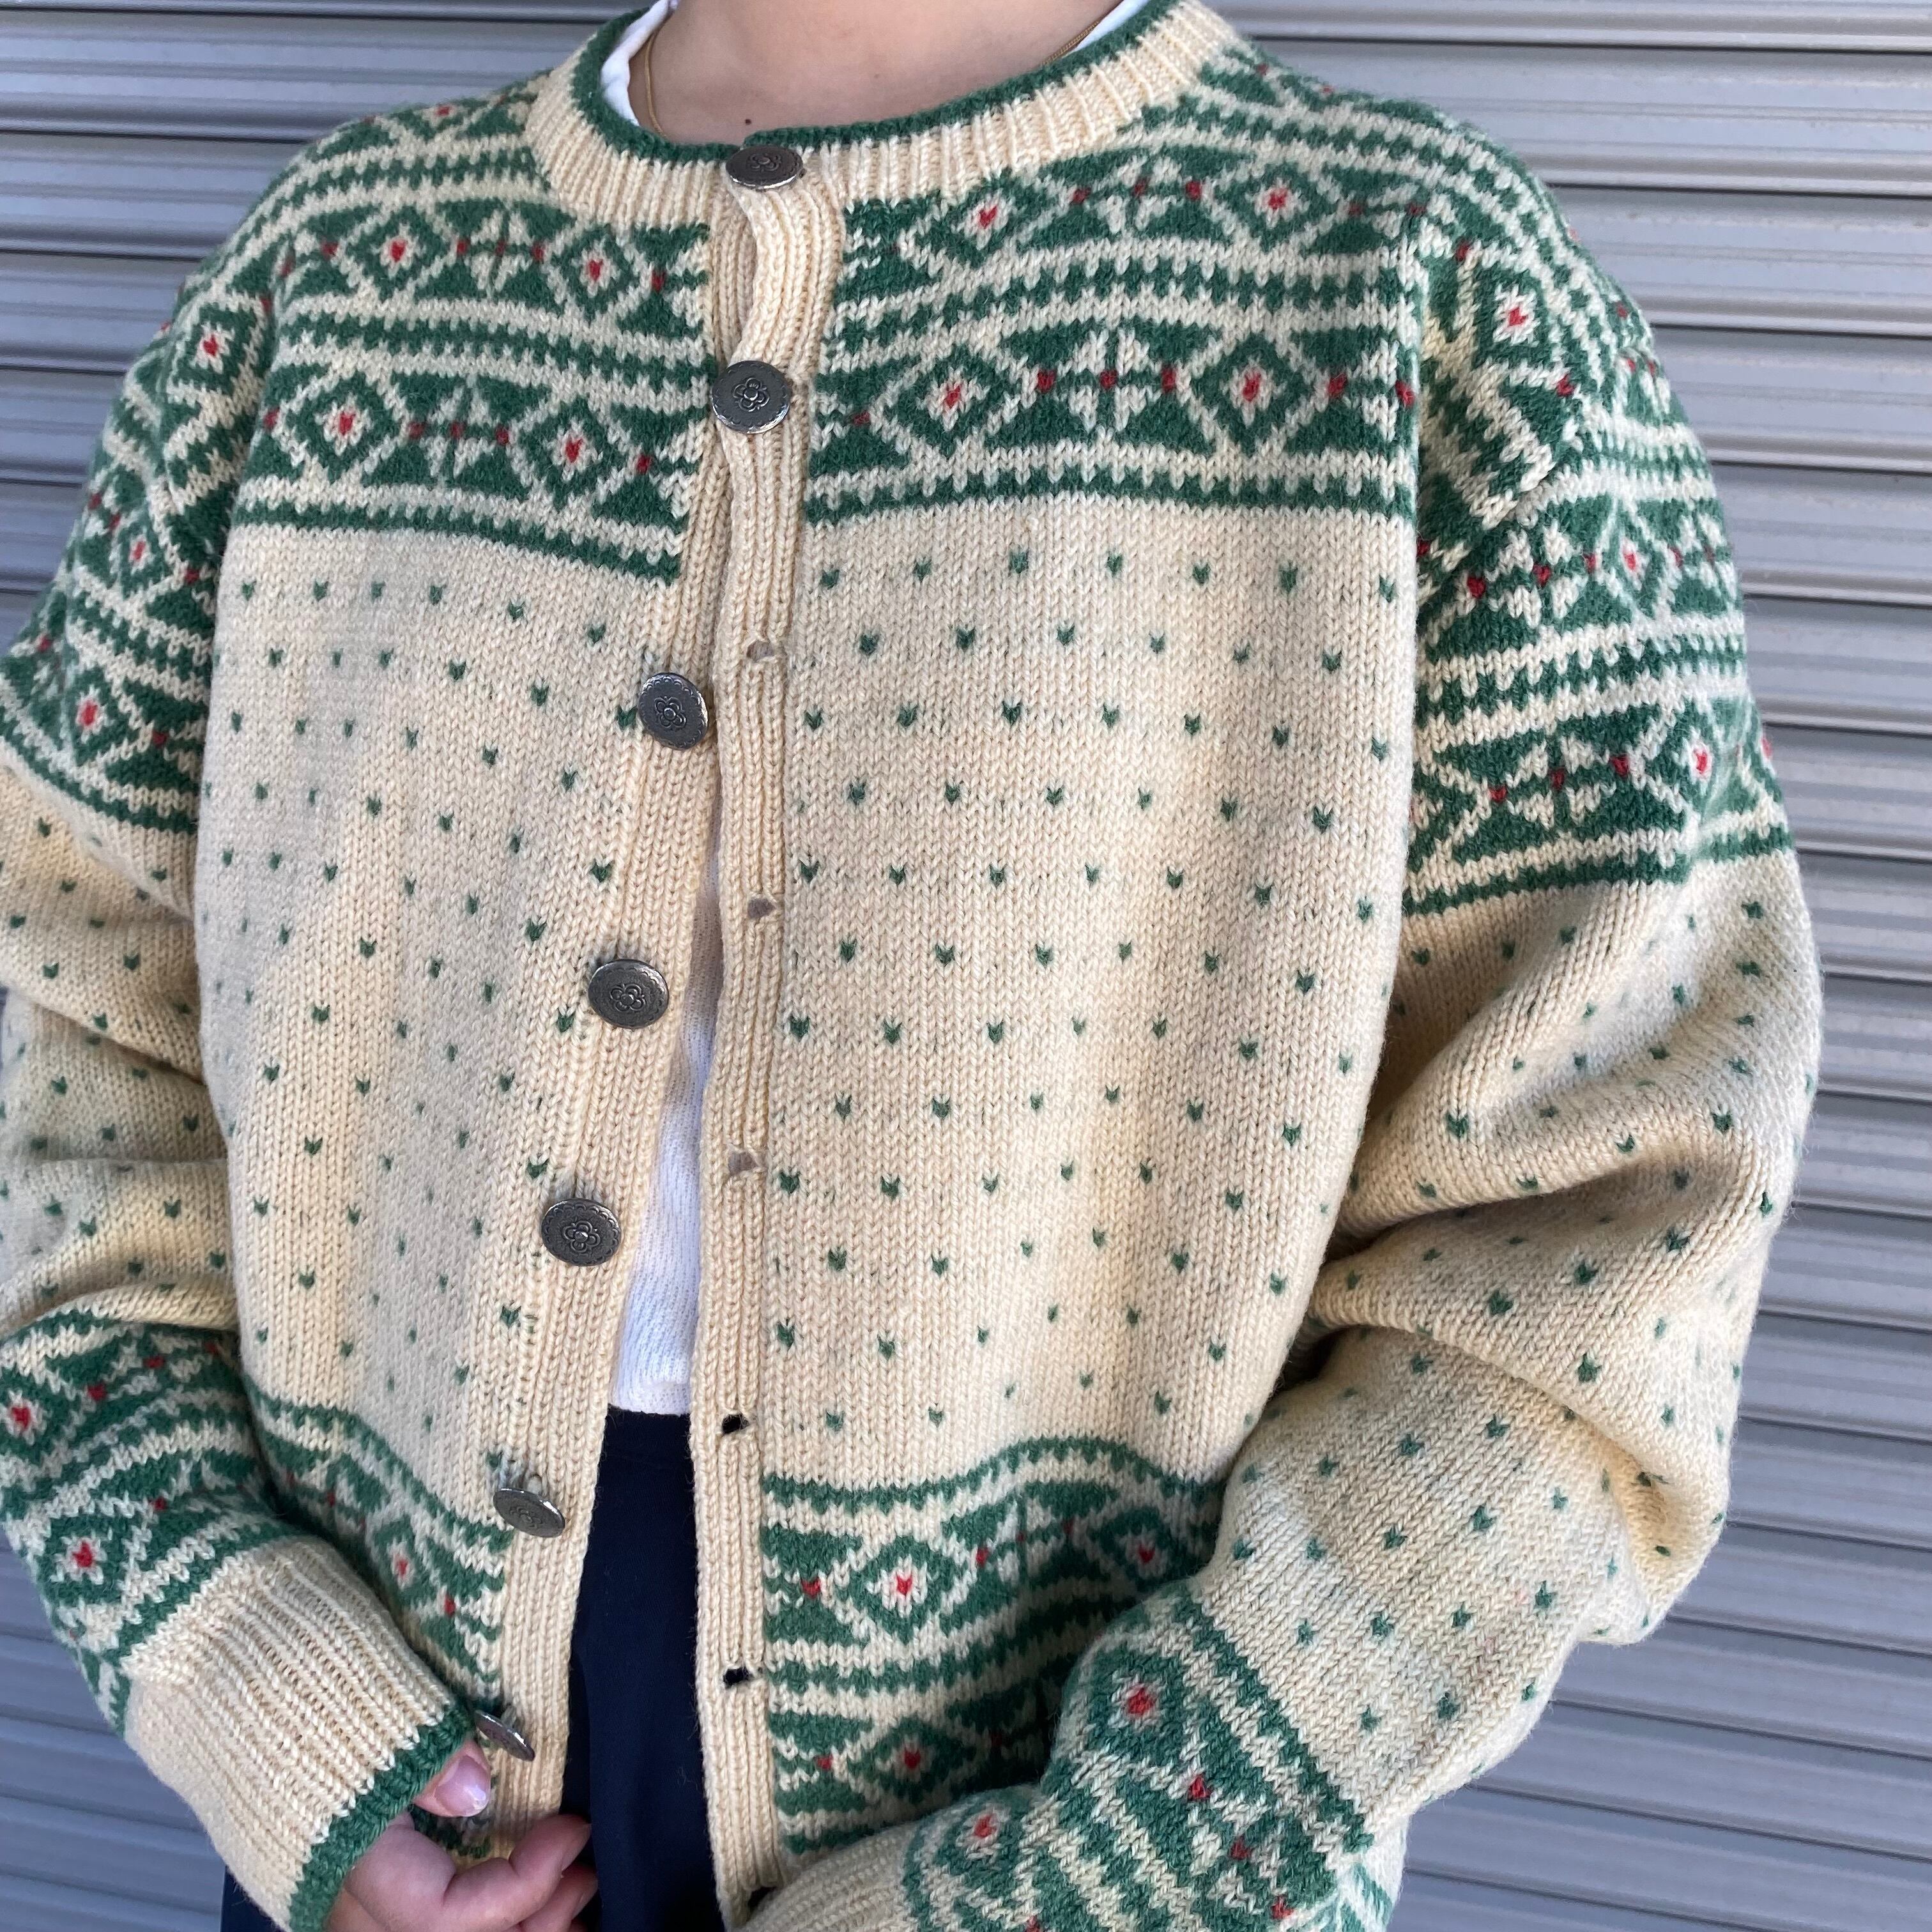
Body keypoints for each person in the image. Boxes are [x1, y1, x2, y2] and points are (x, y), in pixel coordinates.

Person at [0, 1, 1823, 1929]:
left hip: (1115, 1822)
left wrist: (1099, 1868)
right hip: (390, 1791)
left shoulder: (1409, 289)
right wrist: (246, 1674)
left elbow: (1602, 1247)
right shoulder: (332, 281)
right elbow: (66, 1040)